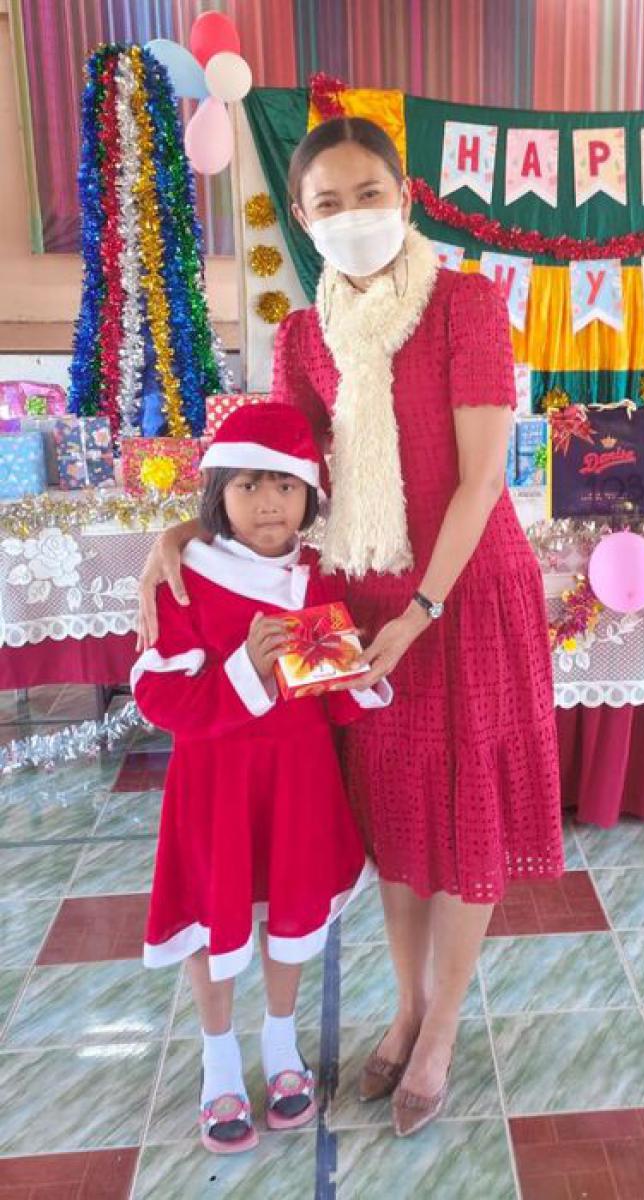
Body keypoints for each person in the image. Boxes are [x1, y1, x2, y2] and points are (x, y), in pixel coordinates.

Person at [137, 116, 563, 1138]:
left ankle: (442, 1026)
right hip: (358, 600)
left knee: (464, 813)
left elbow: (479, 482)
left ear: (404, 195)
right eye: (328, 201)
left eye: (369, 192)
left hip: (462, 593)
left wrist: (423, 610)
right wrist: (177, 530)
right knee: (397, 817)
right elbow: (279, 476)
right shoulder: (302, 336)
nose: (352, 214)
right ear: (302, 216)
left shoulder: (465, 305)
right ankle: (406, 1006)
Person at [132, 402, 389, 1154]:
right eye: (248, 485)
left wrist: (359, 673)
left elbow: (330, 696)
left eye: (285, 485)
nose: (268, 502)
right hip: (214, 788)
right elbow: (158, 695)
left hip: (298, 783)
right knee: (213, 918)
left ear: (310, 493)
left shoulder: (315, 578)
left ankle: (281, 1044)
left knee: (290, 913)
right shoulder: (186, 579)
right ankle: (217, 1060)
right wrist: (245, 668)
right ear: (219, 494)